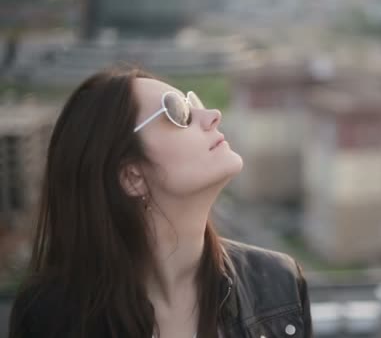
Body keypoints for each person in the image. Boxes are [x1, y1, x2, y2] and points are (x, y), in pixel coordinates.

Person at [8, 66, 312, 338]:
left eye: (196, 104)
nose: (213, 115)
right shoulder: (50, 316)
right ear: (131, 177)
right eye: (180, 113)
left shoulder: (278, 284)